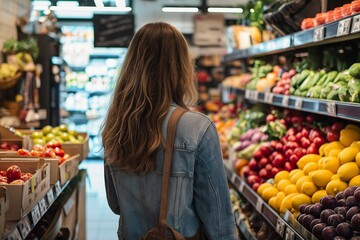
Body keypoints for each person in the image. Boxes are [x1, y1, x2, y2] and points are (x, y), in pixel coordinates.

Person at [102, 22, 238, 240]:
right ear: (180, 67)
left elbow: (115, 203)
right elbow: (218, 220)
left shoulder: (115, 126)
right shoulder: (198, 127)